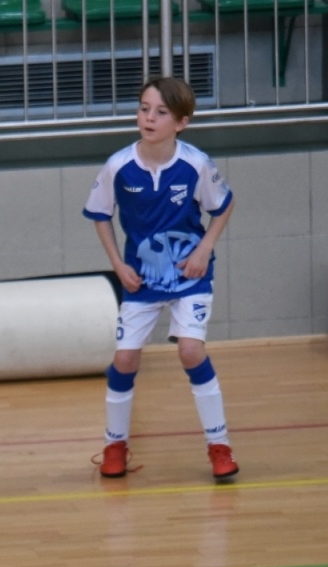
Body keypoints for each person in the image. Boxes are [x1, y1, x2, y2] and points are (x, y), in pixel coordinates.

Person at [84, 76, 238, 481]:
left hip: (190, 275)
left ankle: (219, 446)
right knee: (124, 359)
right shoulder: (118, 165)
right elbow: (100, 215)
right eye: (143, 108)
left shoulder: (196, 164)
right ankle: (114, 444)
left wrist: (204, 249)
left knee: (190, 351)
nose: (148, 117)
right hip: (141, 280)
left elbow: (223, 205)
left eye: (160, 112)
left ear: (182, 122)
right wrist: (119, 265)